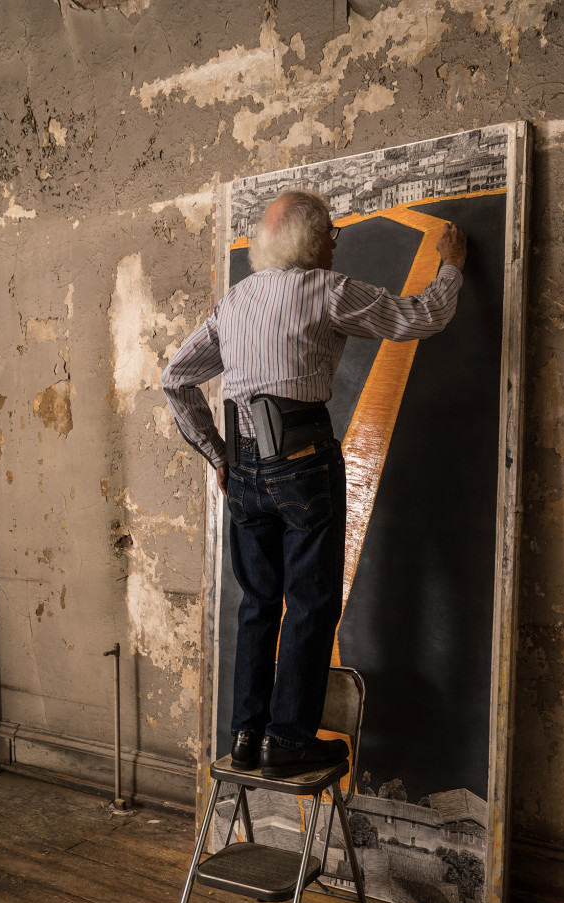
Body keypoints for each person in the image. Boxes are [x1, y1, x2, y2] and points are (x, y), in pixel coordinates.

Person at [162, 189, 466, 777]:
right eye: (331, 232)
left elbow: (175, 379)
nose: (336, 240)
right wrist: (451, 267)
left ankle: (247, 736)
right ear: (311, 240)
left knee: (258, 603)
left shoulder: (234, 302)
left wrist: (218, 455)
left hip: (245, 472)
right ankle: (290, 741)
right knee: (310, 603)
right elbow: (421, 316)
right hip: (302, 467)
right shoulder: (328, 291)